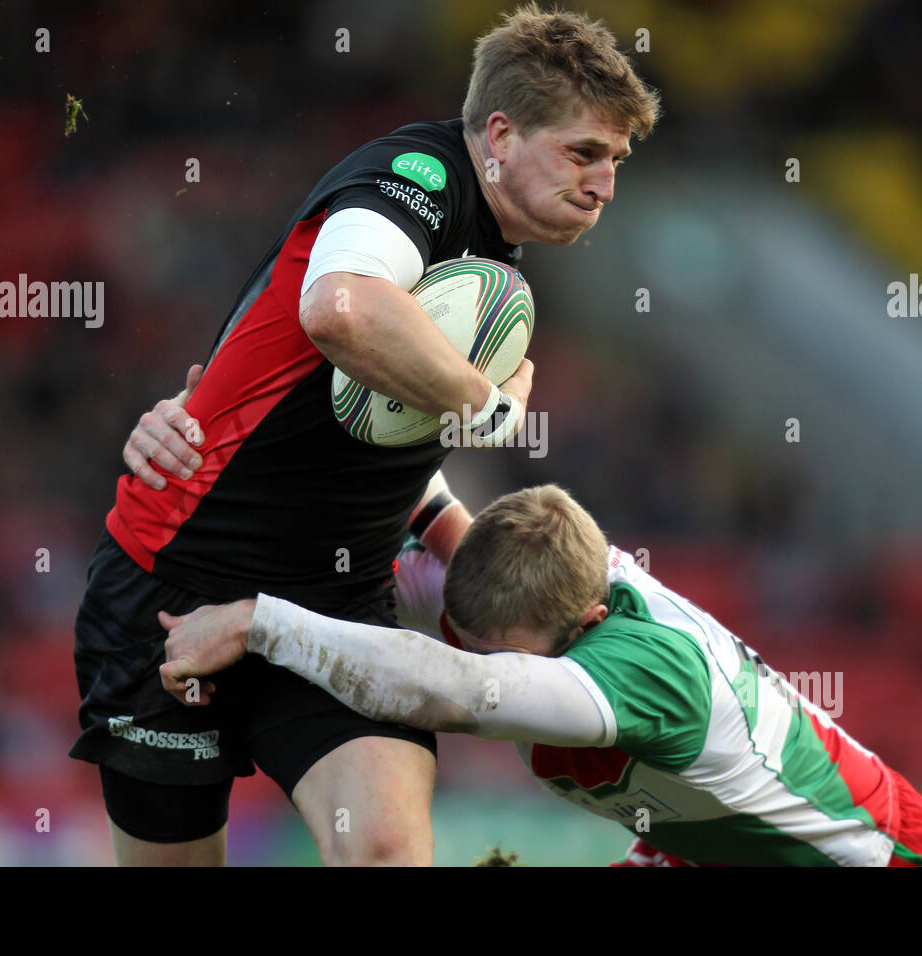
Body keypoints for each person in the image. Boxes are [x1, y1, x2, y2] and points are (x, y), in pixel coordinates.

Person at [70, 3, 661, 866]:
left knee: (385, 852)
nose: (605, 184)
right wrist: (483, 402)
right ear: (499, 133)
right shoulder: (413, 176)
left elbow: (358, 427)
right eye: (584, 153)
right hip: (172, 594)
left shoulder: (493, 252)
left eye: (616, 161)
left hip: (331, 610)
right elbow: (337, 309)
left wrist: (447, 530)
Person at [158, 480, 922, 867]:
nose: (485, 660)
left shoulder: (642, 677)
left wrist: (257, 623)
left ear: (583, 628)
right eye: (468, 639)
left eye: (504, 654)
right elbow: (426, 505)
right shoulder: (536, 581)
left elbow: (455, 691)